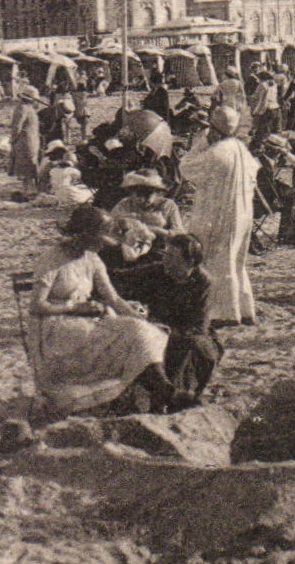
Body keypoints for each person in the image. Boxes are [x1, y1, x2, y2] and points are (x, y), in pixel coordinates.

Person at [23, 205, 188, 415]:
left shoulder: (91, 258)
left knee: (143, 331)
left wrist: (139, 318)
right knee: (130, 335)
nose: (104, 243)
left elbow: (113, 298)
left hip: (85, 321)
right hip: (55, 327)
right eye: (101, 237)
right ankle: (163, 390)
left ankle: (162, 389)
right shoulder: (53, 258)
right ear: (85, 234)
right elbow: (37, 305)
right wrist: (74, 307)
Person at [116, 232, 222, 400]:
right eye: (166, 255)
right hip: (157, 327)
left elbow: (198, 327)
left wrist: (165, 331)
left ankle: (177, 394)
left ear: (190, 262)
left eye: (172, 257)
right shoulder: (159, 270)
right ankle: (162, 391)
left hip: (191, 335)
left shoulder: (204, 283)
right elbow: (119, 278)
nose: (166, 260)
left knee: (190, 346)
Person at [179, 106, 258, 327]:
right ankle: (243, 310)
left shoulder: (216, 153)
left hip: (218, 213)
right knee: (236, 262)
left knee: (216, 261)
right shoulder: (241, 149)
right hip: (241, 213)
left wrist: (200, 144)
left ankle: (223, 314)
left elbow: (186, 167)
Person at [109, 169, 185, 243]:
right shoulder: (125, 203)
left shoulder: (167, 205)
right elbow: (110, 225)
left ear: (157, 192)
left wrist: (155, 230)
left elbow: (179, 234)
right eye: (139, 194)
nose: (143, 199)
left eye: (149, 193)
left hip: (160, 246)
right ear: (131, 192)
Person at [9, 85, 44, 194]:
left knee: (31, 163)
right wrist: (14, 139)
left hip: (32, 139)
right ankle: (28, 189)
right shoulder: (22, 108)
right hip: (25, 140)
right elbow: (16, 126)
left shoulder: (28, 108)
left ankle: (30, 188)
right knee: (26, 164)